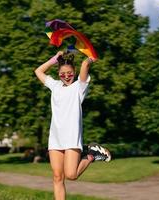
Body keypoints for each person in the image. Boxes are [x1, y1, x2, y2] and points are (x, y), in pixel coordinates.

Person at [34, 51, 111, 200]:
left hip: (71, 137)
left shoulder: (79, 88)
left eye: (70, 73)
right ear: (58, 74)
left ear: (74, 72)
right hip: (55, 138)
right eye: (63, 73)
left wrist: (88, 60)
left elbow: (84, 65)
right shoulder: (55, 86)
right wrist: (53, 60)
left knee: (71, 175)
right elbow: (38, 71)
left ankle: (91, 155)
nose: (66, 75)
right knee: (57, 177)